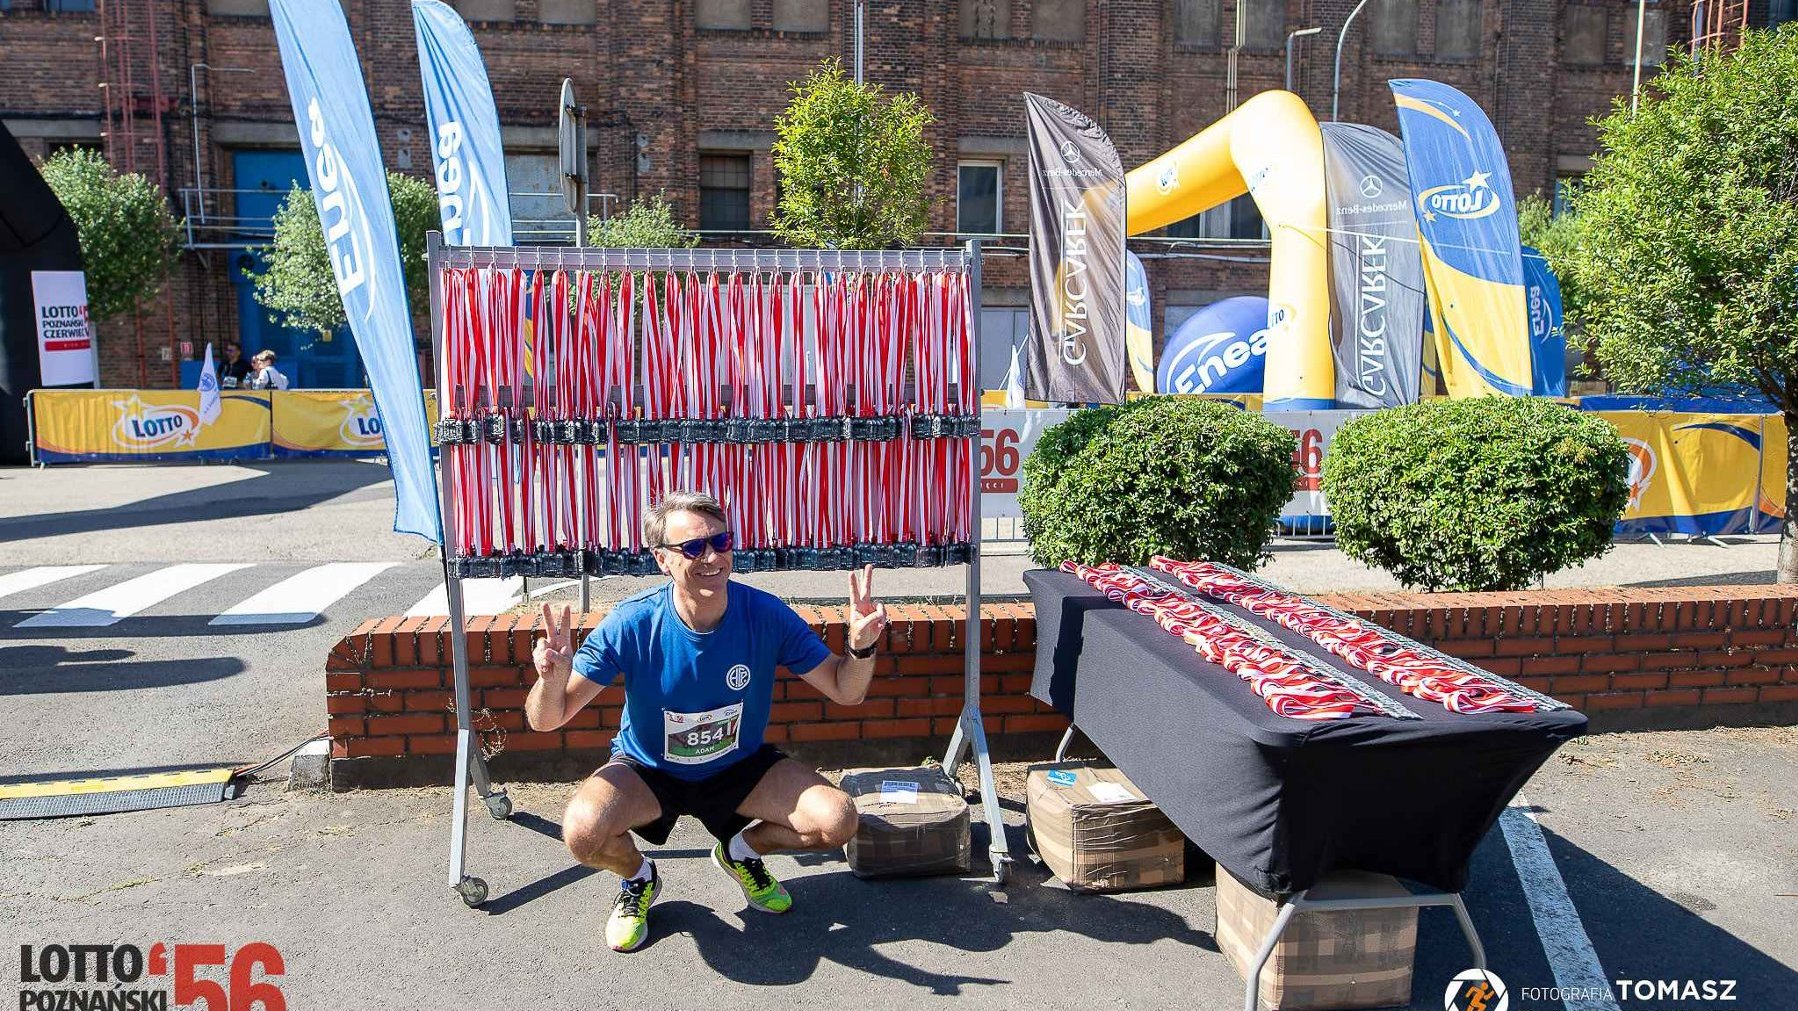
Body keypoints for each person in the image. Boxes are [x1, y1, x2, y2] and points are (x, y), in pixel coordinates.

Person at [527, 490, 888, 953]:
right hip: (649, 770)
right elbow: (546, 719)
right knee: (582, 832)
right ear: (662, 559)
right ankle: (638, 879)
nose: (712, 557)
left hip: (739, 767)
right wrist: (552, 679)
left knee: (837, 820)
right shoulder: (631, 623)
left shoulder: (766, 614)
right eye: (693, 548)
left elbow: (846, 689)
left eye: (721, 542)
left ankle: (741, 853)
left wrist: (860, 646)